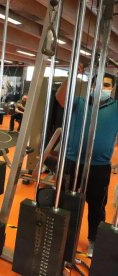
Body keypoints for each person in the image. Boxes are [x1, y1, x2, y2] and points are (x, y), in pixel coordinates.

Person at [55, 70, 117, 257]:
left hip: (99, 167)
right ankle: (65, 240)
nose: (102, 88)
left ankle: (94, 241)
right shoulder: (79, 103)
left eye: (106, 85)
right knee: (67, 202)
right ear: (91, 86)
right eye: (98, 84)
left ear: (112, 89)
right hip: (73, 163)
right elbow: (60, 97)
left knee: (97, 207)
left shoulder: (116, 107)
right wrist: (73, 75)